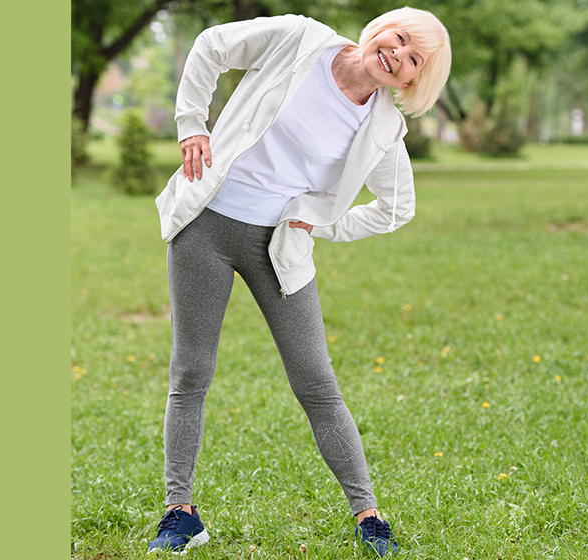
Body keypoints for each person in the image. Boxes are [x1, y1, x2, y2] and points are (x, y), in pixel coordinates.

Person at [148, 7, 451, 557]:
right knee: (190, 371)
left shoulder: (382, 125)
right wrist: (192, 123)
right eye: (399, 38)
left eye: (412, 61)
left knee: (316, 382)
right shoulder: (301, 39)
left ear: (411, 81)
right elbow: (212, 45)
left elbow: (396, 208)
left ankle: (369, 518)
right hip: (205, 228)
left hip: (280, 248)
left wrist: (320, 220)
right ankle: (179, 512)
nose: (396, 54)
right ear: (382, 25)